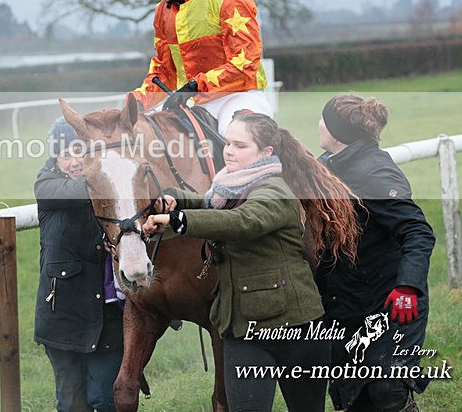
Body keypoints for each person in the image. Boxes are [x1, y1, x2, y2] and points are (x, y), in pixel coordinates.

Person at [142, 111, 361, 412]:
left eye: (240, 145)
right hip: (243, 330)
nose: (229, 151)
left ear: (266, 153)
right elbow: (210, 203)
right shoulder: (228, 186)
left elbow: (243, 221)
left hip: (297, 331)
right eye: (227, 143)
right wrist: (173, 198)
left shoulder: (274, 191)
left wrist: (180, 221)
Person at [316, 94, 435, 412]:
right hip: (347, 301)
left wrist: (408, 286)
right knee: (354, 397)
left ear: (338, 131)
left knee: (386, 389)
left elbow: (418, 232)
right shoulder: (326, 166)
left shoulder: (374, 173)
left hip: (393, 302)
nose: (318, 125)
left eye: (323, 119)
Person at [126, 0, 273, 134]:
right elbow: (164, 72)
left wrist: (194, 86)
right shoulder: (162, 12)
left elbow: (245, 63)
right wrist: (134, 104)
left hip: (239, 96)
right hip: (195, 103)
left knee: (236, 135)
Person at [34, 117, 124, 412]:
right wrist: (109, 172)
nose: (74, 162)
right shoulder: (46, 185)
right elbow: (80, 191)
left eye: (79, 152)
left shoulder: (107, 186)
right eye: (66, 155)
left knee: (105, 400)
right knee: (71, 404)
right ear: (54, 159)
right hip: (63, 316)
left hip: (106, 316)